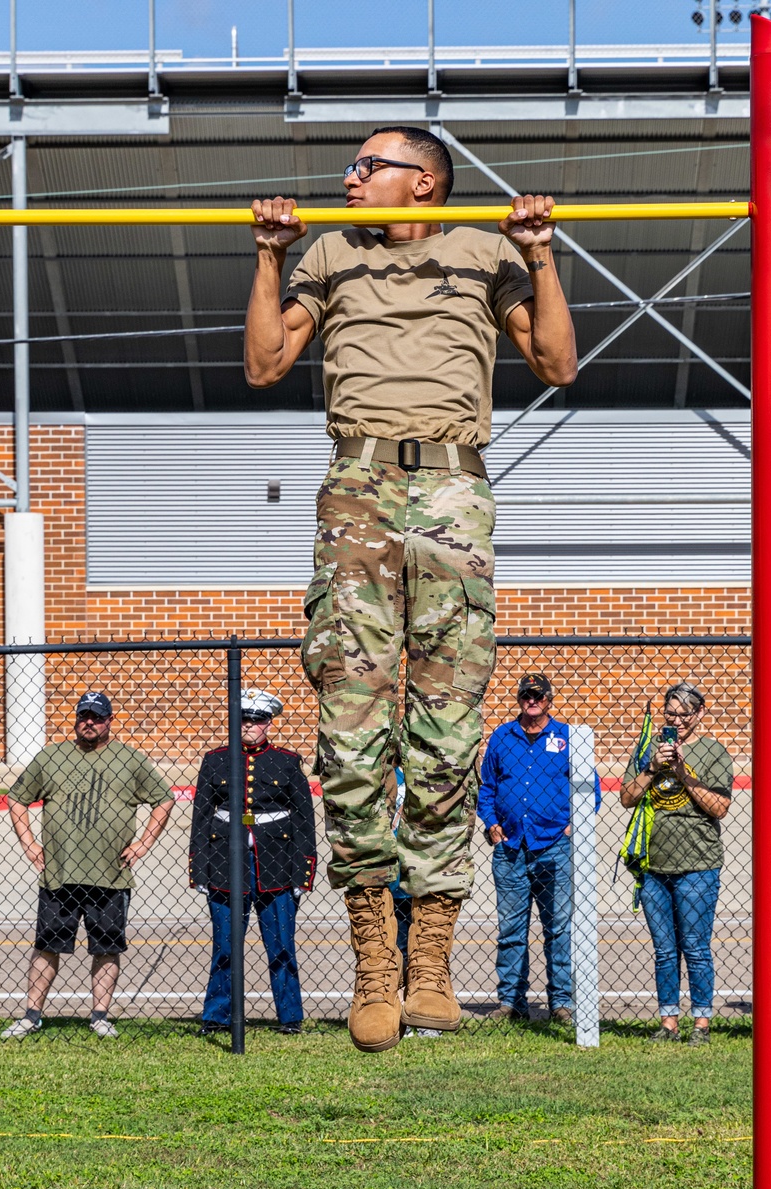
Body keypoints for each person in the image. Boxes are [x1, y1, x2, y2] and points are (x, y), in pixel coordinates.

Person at [244, 127, 577, 1052]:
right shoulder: (326, 250)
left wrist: (541, 256)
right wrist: (269, 258)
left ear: (422, 183)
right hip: (357, 486)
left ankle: (430, 956)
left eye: (367, 166)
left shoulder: (484, 250)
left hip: (453, 489)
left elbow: (556, 363)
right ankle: (372, 961)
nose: (348, 179)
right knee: (350, 725)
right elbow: (266, 363)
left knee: (448, 720)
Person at [0, 692, 174, 1039]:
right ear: (76, 719)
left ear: (110, 720)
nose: (89, 723)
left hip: (110, 875)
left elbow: (164, 799)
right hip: (60, 875)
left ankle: (99, 1016)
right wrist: (30, 844)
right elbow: (16, 799)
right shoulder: (51, 758)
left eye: (97, 717)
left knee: (107, 946)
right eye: (84, 716)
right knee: (48, 945)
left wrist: (144, 843)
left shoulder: (130, 760)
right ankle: (32, 1015)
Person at [189, 689, 317, 1036]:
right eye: (244, 719)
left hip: (276, 865)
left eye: (257, 720)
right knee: (225, 949)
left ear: (269, 724)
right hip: (226, 864)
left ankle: (290, 1018)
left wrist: (302, 875)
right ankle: (216, 1017)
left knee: (281, 949)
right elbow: (201, 816)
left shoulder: (287, 762)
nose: (249, 725)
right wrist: (199, 868)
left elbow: (304, 821)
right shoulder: (215, 760)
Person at [478, 672, 600, 1025]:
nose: (532, 701)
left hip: (555, 847)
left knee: (558, 928)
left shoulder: (567, 738)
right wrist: (491, 824)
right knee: (511, 930)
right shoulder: (503, 737)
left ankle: (561, 1003)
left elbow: (589, 789)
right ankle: (512, 1002)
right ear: (519, 699)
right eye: (526, 695)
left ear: (549, 700)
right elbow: (487, 788)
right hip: (511, 847)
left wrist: (572, 826)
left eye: (539, 696)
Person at [619, 683, 733, 1046]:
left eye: (685, 714)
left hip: (698, 864)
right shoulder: (648, 749)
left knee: (696, 947)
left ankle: (701, 1023)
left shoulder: (713, 751)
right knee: (665, 950)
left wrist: (684, 772)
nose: (677, 720)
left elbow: (719, 808)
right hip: (654, 865)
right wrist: (652, 769)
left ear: (699, 715)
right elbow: (625, 797)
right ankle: (669, 1022)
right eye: (671, 713)